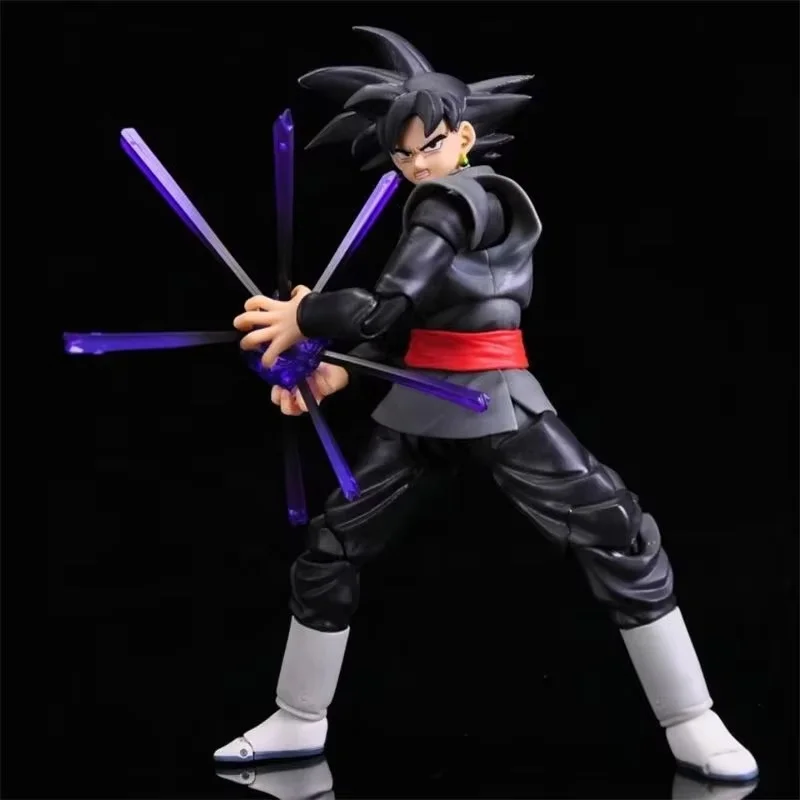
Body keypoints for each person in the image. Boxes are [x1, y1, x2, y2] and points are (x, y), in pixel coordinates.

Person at [216, 26, 757, 784]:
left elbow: (387, 304)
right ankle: (299, 717)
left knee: (619, 534)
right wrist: (339, 372)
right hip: (420, 404)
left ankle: (693, 719)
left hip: (495, 402)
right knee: (334, 546)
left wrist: (306, 317)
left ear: (463, 138)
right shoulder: (429, 200)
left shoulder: (462, 199)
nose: (415, 165)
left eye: (429, 146)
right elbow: (417, 324)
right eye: (401, 153)